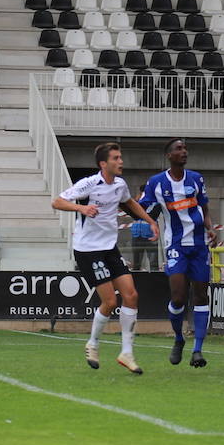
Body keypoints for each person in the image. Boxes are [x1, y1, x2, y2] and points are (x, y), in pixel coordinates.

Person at [53, 142, 160, 374]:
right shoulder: (89, 184)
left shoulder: (120, 184)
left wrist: (150, 221)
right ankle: (92, 343)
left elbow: (129, 203)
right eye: (116, 158)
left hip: (109, 248)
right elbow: (57, 201)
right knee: (110, 302)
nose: (120, 161)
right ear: (104, 163)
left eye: (120, 157)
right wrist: (81, 209)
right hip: (88, 250)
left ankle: (127, 352)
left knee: (131, 296)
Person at [137, 138, 219, 368]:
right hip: (175, 246)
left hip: (199, 244)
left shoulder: (196, 178)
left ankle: (198, 350)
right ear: (169, 155)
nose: (184, 151)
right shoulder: (156, 182)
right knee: (178, 297)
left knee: (201, 295)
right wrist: (142, 218)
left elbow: (204, 206)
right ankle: (179, 338)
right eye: (178, 149)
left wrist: (211, 228)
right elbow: (141, 207)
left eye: (185, 148)